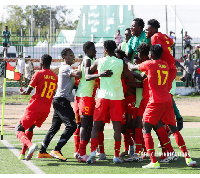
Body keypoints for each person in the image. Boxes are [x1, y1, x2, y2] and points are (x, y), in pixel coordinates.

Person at [125, 45, 196, 168]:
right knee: (174, 130)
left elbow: (133, 67)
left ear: (151, 55)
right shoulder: (165, 64)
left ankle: (153, 161)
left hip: (155, 101)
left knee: (145, 129)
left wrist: (125, 61)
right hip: (167, 100)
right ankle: (187, 158)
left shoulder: (149, 64)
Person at [37, 48, 81, 161]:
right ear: (64, 57)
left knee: (54, 127)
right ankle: (57, 149)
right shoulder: (66, 68)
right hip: (61, 101)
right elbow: (78, 75)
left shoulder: (67, 68)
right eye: (70, 55)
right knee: (72, 125)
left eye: (73, 54)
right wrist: (83, 65)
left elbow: (71, 84)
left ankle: (42, 151)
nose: (73, 56)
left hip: (59, 100)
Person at [86, 40, 124, 164]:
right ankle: (116, 156)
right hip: (117, 97)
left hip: (102, 97)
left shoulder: (99, 61)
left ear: (105, 50)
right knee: (117, 127)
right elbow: (126, 75)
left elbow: (88, 73)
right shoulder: (120, 62)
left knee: (96, 125)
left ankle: (92, 152)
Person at [74, 41, 112, 162]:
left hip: (83, 96)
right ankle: (82, 153)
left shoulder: (88, 60)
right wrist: (101, 74)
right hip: (85, 97)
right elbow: (87, 75)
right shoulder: (87, 60)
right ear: (87, 50)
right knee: (86, 125)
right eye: (93, 49)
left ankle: (80, 152)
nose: (95, 51)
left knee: (85, 125)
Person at [15, 54, 58, 161]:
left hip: (35, 107)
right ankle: (22, 153)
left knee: (18, 129)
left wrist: (23, 93)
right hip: (46, 109)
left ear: (41, 63)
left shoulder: (38, 73)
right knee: (30, 128)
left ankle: (30, 145)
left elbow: (28, 91)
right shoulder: (54, 76)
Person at [145, 19, 177, 92]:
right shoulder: (164, 36)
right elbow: (172, 43)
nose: (145, 32)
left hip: (165, 67)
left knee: (163, 93)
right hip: (170, 66)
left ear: (153, 30)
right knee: (165, 92)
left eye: (147, 30)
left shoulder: (155, 37)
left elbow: (156, 52)